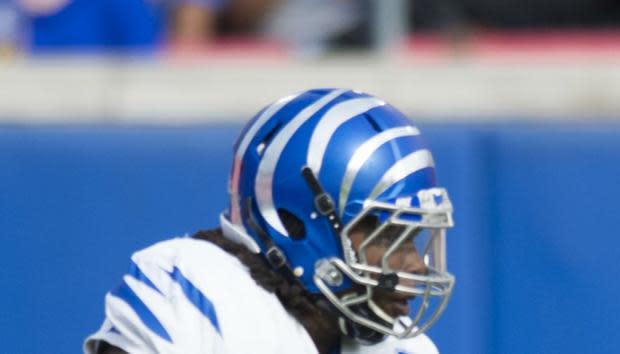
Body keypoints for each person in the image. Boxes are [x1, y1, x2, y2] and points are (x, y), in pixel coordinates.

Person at [84, 88, 456, 354]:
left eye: (413, 237)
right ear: (298, 223)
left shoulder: (406, 347)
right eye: (387, 234)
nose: (416, 266)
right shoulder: (190, 291)